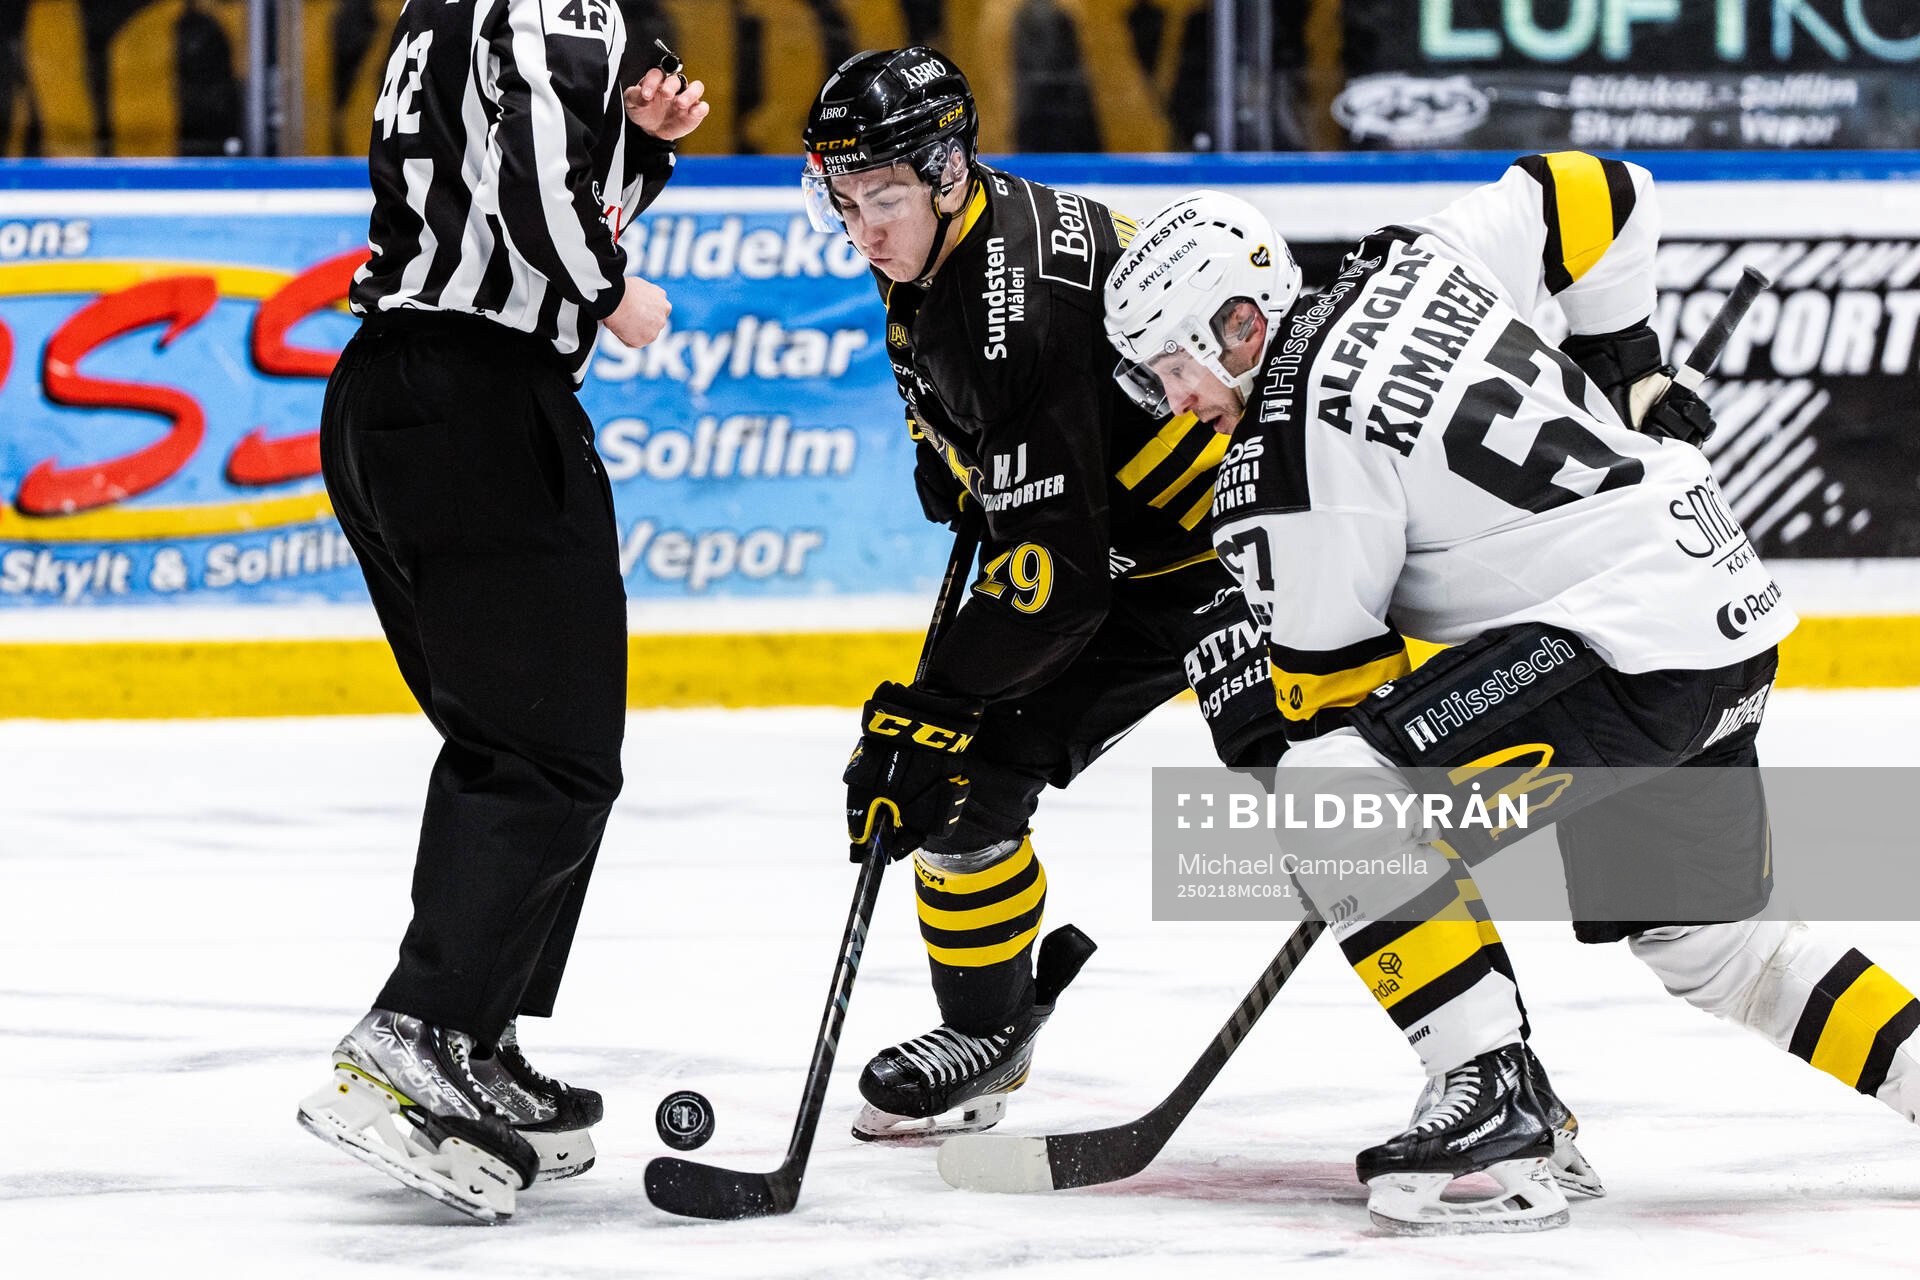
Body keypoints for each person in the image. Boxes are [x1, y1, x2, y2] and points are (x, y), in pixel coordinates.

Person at [1106, 160, 1920, 1233]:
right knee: (1717, 942)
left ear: (1240, 321)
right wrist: (1625, 362)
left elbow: (1330, 701)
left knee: (1330, 793)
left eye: (1174, 367)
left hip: (1623, 642)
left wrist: (1257, 708)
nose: (1178, 402)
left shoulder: (1283, 454)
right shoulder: (1406, 263)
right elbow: (1595, 189)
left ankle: (1496, 1095)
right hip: (1707, 605)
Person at [802, 47, 1530, 1154]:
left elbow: (1051, 586)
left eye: (885, 197)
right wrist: (960, 474)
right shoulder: (931, 252)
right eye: (844, 200)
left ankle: (1498, 1074)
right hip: (1113, 559)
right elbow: (1015, 491)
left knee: (1327, 803)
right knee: (960, 783)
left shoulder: (1015, 303)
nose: (864, 228)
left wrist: (933, 699)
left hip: (1237, 548)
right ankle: (987, 1034)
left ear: (949, 171)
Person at [295, 1, 708, 1221]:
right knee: (547, 752)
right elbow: (535, 180)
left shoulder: (448, 9)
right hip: (478, 398)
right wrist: (616, 286)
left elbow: (517, 168)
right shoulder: (548, 2)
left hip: (396, 399)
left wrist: (640, 144)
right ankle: (418, 1032)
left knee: (526, 743)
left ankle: (471, 1033)